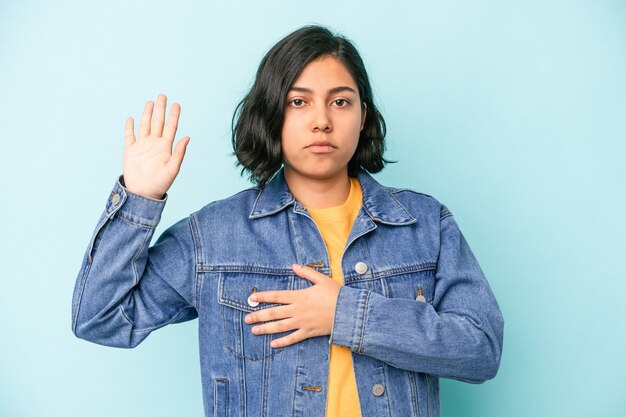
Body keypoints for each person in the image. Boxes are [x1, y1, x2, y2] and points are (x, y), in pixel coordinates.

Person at [71, 24, 504, 417]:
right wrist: (140, 197)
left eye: (340, 101)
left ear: (362, 117)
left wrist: (345, 315)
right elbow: (102, 318)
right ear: (273, 115)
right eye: (299, 101)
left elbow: (481, 349)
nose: (321, 121)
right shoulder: (214, 237)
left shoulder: (425, 224)